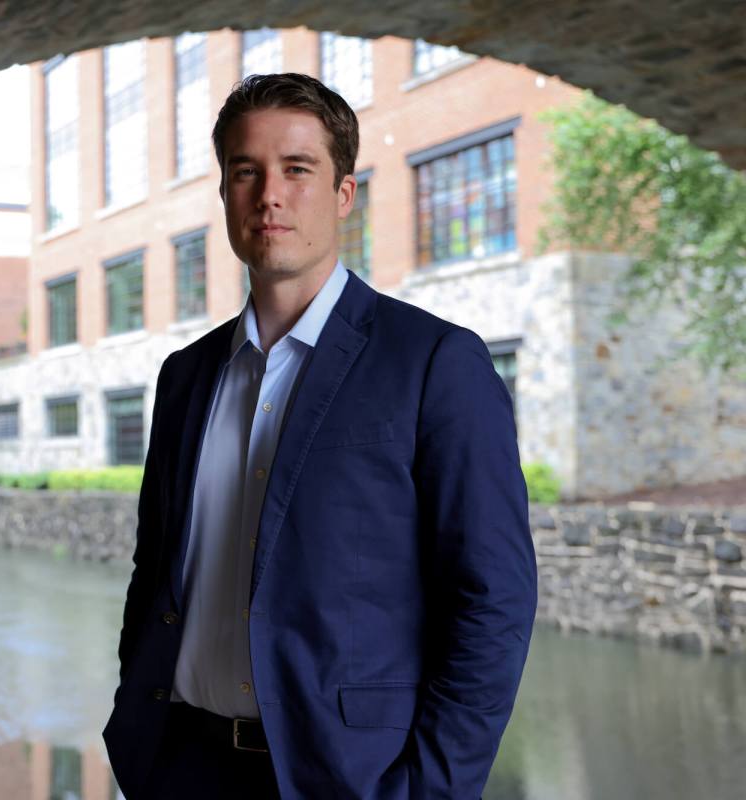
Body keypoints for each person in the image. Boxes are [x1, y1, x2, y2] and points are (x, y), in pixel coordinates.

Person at [101, 72, 537, 799]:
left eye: (297, 169)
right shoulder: (184, 377)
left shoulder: (434, 362)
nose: (270, 194)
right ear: (225, 193)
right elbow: (155, 573)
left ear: (344, 194)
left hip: (346, 777)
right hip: (181, 767)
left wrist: (429, 790)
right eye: (247, 171)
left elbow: (493, 600)